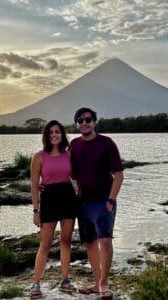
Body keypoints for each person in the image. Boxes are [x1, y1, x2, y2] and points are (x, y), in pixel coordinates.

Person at [70, 107, 124, 299]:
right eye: (80, 120)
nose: (84, 123)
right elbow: (69, 172)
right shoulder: (74, 145)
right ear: (76, 124)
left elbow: (118, 174)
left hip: (104, 201)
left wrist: (111, 199)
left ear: (94, 121)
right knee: (91, 243)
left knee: (105, 241)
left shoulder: (107, 143)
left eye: (87, 119)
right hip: (83, 202)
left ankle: (103, 283)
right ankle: (97, 282)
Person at [29, 120, 79, 299]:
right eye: (50, 133)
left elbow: (76, 176)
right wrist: (36, 211)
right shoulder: (38, 157)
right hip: (49, 200)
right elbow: (34, 186)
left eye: (57, 132)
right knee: (45, 244)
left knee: (66, 241)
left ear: (62, 134)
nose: (54, 135)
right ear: (46, 136)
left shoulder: (69, 155)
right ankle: (36, 283)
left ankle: (65, 280)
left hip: (67, 198)